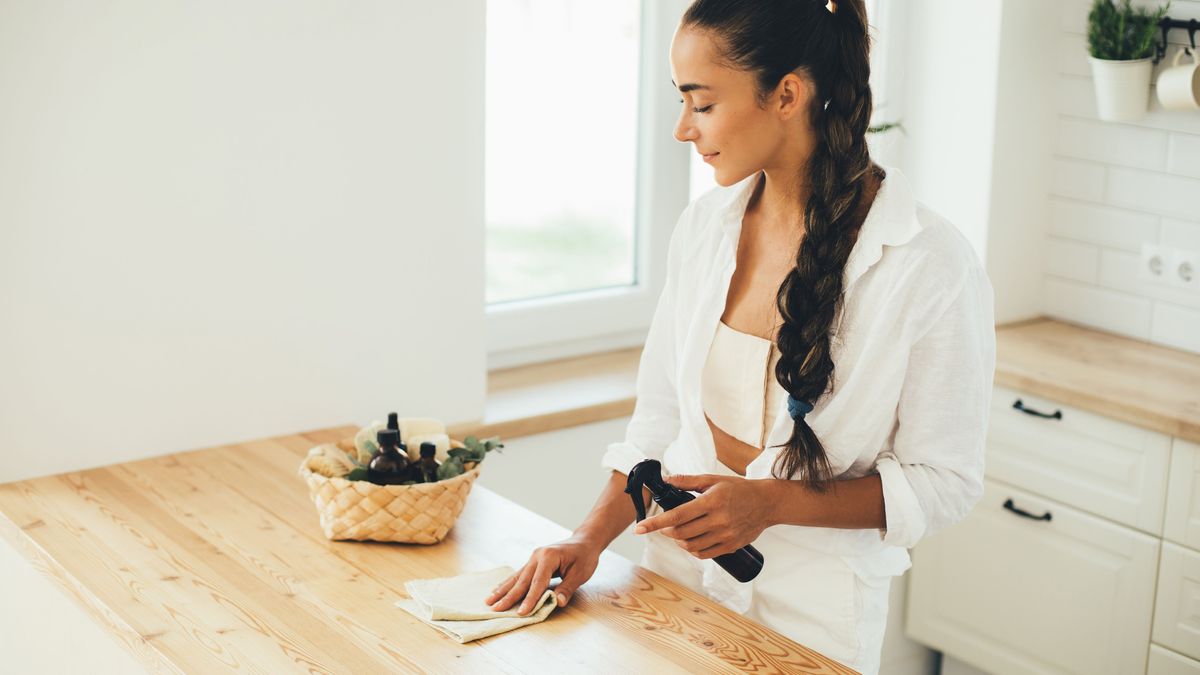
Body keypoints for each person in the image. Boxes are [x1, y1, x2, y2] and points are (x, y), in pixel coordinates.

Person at [485, 0, 996, 672]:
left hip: (814, 617)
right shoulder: (704, 230)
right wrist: (588, 539)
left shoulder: (928, 264)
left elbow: (944, 481)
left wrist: (772, 502)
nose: (681, 129)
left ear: (787, 94)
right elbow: (659, 422)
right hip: (673, 585)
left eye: (701, 103)